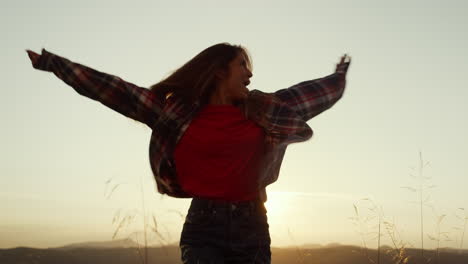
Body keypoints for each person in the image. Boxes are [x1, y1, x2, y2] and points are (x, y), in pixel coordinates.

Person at [27, 43, 351, 264]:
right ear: (219, 70)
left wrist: (339, 76)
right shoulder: (176, 113)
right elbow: (116, 91)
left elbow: (312, 95)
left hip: (252, 224)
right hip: (203, 226)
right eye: (242, 66)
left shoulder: (262, 108)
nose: (250, 75)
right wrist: (53, 63)